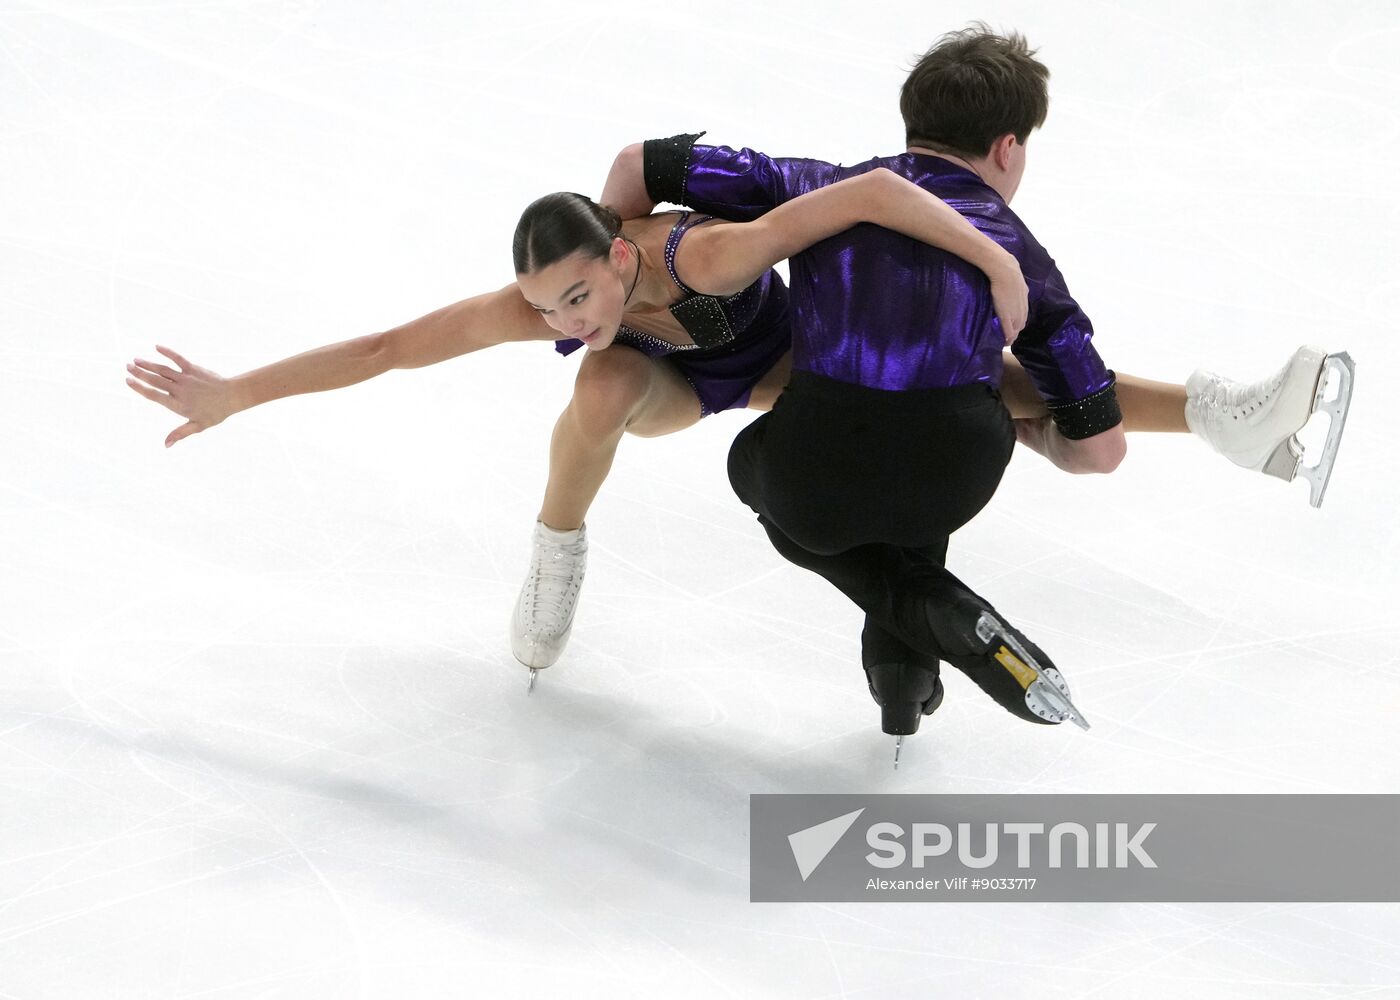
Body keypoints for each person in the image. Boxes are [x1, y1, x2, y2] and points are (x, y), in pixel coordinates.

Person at [602, 25, 1353, 740]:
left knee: (753, 464)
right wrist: (1030, 432)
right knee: (957, 412)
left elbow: (641, 162)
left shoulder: (819, 189)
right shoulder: (1022, 257)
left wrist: (616, 265)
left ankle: (927, 612)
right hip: (954, 478)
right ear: (1007, 147)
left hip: (814, 479)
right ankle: (904, 662)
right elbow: (1101, 453)